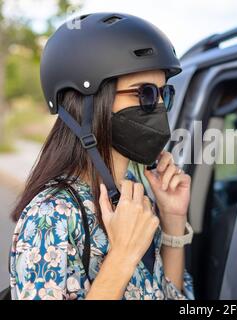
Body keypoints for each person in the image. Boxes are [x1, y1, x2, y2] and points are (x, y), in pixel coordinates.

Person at [8, 13, 194, 300]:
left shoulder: (136, 190)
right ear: (86, 106)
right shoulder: (50, 217)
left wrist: (172, 218)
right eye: (143, 93)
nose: (158, 106)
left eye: (162, 93)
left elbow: (169, 295)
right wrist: (121, 257)